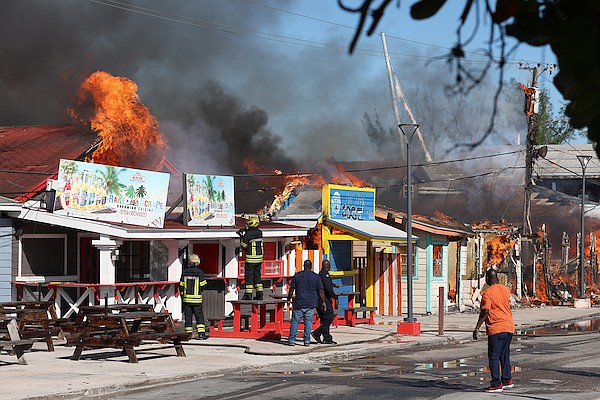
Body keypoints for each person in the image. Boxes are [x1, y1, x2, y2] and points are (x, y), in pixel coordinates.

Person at [473, 268, 515, 392]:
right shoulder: (506, 290)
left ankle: (496, 383)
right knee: (504, 355)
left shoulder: (487, 293)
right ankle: (507, 379)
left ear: (487, 279)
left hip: (496, 327)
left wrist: (477, 327)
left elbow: (485, 312)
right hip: (509, 326)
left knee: (494, 356)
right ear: (497, 278)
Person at [287, 260, 327, 347]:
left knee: (295, 322)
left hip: (299, 302)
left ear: (303, 266)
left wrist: (289, 299)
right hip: (311, 303)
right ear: (311, 266)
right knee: (308, 323)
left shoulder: (297, 275)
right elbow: (320, 290)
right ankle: (307, 341)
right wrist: (323, 302)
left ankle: (291, 340)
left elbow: (291, 289)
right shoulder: (316, 277)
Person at [312, 259, 341, 344]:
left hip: (318, 300)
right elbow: (328, 288)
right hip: (323, 300)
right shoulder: (325, 275)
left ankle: (327, 338)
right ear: (328, 266)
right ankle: (317, 333)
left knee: (324, 319)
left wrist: (334, 285)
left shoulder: (320, 275)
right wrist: (335, 297)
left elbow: (326, 284)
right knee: (329, 317)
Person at [180, 254, 208, 340]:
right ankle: (201, 334)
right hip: (196, 299)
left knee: (188, 316)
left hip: (186, 299)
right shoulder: (200, 272)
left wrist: (182, 295)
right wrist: (198, 291)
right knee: (199, 316)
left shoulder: (185, 272)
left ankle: (187, 335)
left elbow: (181, 285)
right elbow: (203, 285)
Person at [237, 215, 264, 300]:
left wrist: (241, 236)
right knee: (257, 276)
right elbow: (252, 233)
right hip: (259, 259)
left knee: (249, 277)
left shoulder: (248, 234)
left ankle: (248, 295)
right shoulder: (260, 232)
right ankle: (259, 294)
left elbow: (244, 246)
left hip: (250, 259)